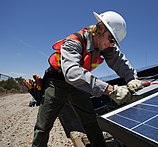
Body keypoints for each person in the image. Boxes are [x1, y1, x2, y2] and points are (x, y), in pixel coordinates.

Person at [32, 11, 143, 147]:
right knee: (43, 126)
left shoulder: (106, 45)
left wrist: (131, 78)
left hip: (77, 85)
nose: (111, 44)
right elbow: (72, 72)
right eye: (111, 39)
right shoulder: (73, 42)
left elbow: (119, 61)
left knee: (90, 121)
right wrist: (110, 90)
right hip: (57, 81)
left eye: (114, 41)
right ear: (100, 28)